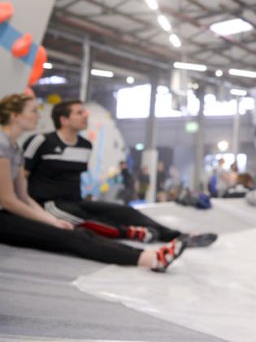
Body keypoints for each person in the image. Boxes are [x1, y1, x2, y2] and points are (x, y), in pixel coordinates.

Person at [0, 94, 185, 272]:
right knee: (71, 236)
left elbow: (22, 195)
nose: (38, 116)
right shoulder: (6, 144)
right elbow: (8, 199)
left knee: (78, 230)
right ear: (15, 116)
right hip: (20, 212)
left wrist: (52, 221)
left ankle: (151, 252)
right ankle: (147, 257)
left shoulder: (14, 148)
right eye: (33, 111)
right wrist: (51, 220)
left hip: (35, 208)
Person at [21, 100, 217, 248]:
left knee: (125, 211)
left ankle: (176, 236)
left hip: (75, 201)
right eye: (79, 112)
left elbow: (72, 179)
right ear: (63, 119)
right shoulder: (40, 140)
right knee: (93, 222)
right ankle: (133, 234)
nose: (86, 115)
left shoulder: (85, 145)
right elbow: (22, 175)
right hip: (48, 204)